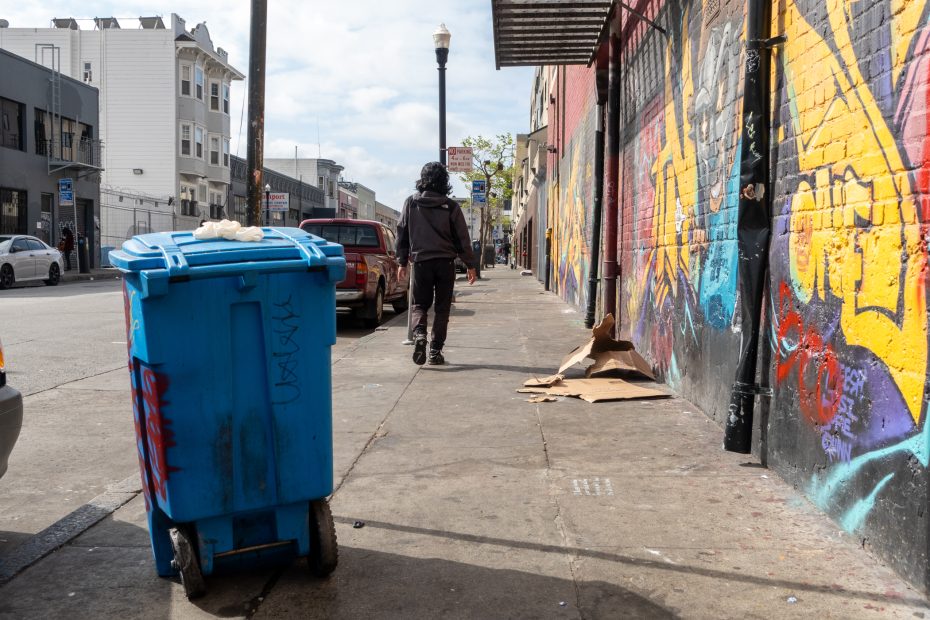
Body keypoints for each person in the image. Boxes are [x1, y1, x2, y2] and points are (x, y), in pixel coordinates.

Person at [396, 162, 477, 366]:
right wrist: (470, 265)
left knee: (419, 305)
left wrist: (402, 262)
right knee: (442, 309)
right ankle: (435, 352)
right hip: (445, 264)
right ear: (445, 181)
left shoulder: (411, 203)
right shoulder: (450, 206)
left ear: (422, 179)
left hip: (421, 262)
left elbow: (402, 234)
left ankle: (420, 334)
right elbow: (462, 239)